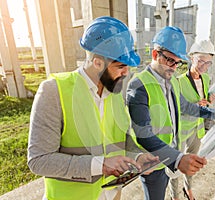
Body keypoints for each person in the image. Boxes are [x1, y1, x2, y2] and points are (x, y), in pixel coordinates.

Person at [27, 16, 157, 200]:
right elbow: (39, 161)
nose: (126, 73)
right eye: (120, 66)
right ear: (97, 63)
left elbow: (119, 138)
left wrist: (137, 157)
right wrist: (100, 165)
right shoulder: (54, 91)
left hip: (111, 194)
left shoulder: (114, 91)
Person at [126, 26, 215, 200]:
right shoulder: (138, 85)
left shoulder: (172, 81)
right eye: (169, 61)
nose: (174, 67)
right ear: (155, 55)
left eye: (178, 62)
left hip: (171, 152)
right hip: (153, 162)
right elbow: (143, 134)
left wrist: (214, 113)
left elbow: (186, 107)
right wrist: (178, 159)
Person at [169, 40, 215, 200]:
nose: (204, 66)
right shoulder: (178, 81)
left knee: (193, 163)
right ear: (191, 58)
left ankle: (187, 189)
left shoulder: (205, 79)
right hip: (182, 131)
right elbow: (176, 108)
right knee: (176, 164)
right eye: (201, 61)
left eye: (208, 63)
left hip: (197, 129)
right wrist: (196, 105)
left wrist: (209, 100)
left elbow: (203, 102)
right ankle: (174, 195)